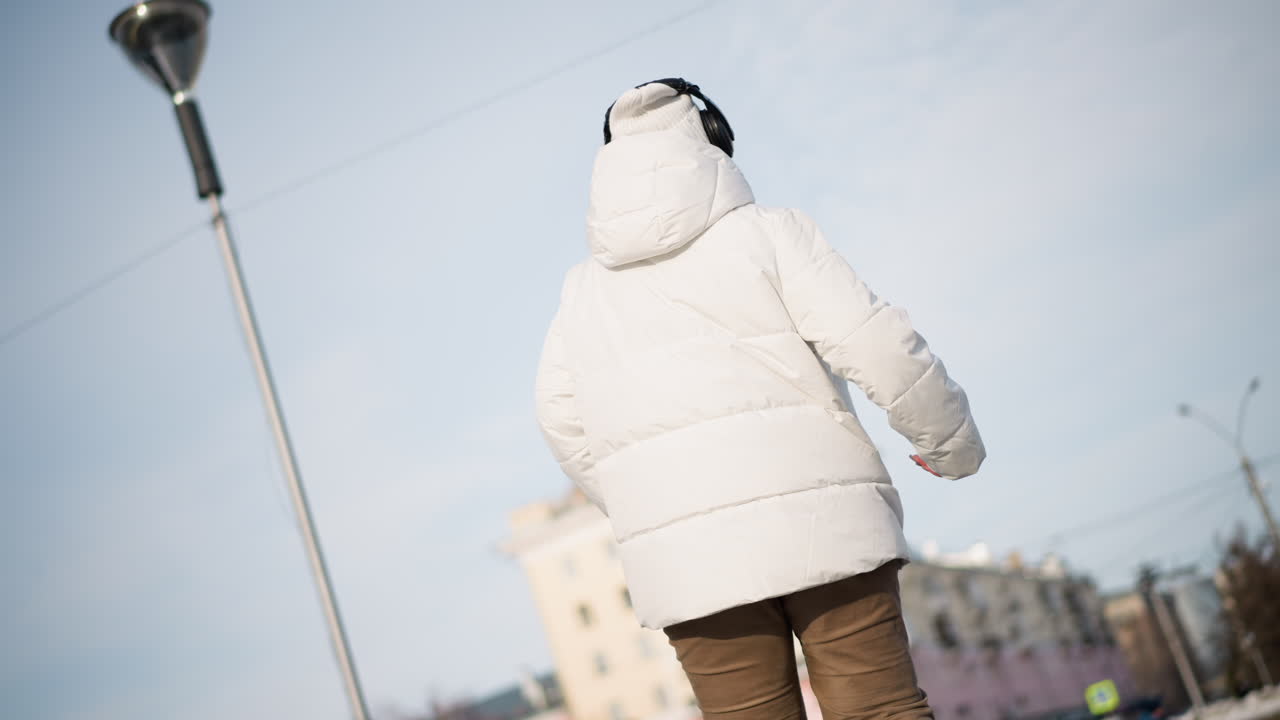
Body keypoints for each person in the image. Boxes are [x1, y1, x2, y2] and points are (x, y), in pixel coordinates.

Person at [535, 78, 985, 720]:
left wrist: (655, 505)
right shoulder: (772, 235)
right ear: (713, 146)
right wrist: (950, 444)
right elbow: (878, 343)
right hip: (828, 530)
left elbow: (562, 423)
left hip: (690, 568)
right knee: (879, 709)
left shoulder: (580, 295)